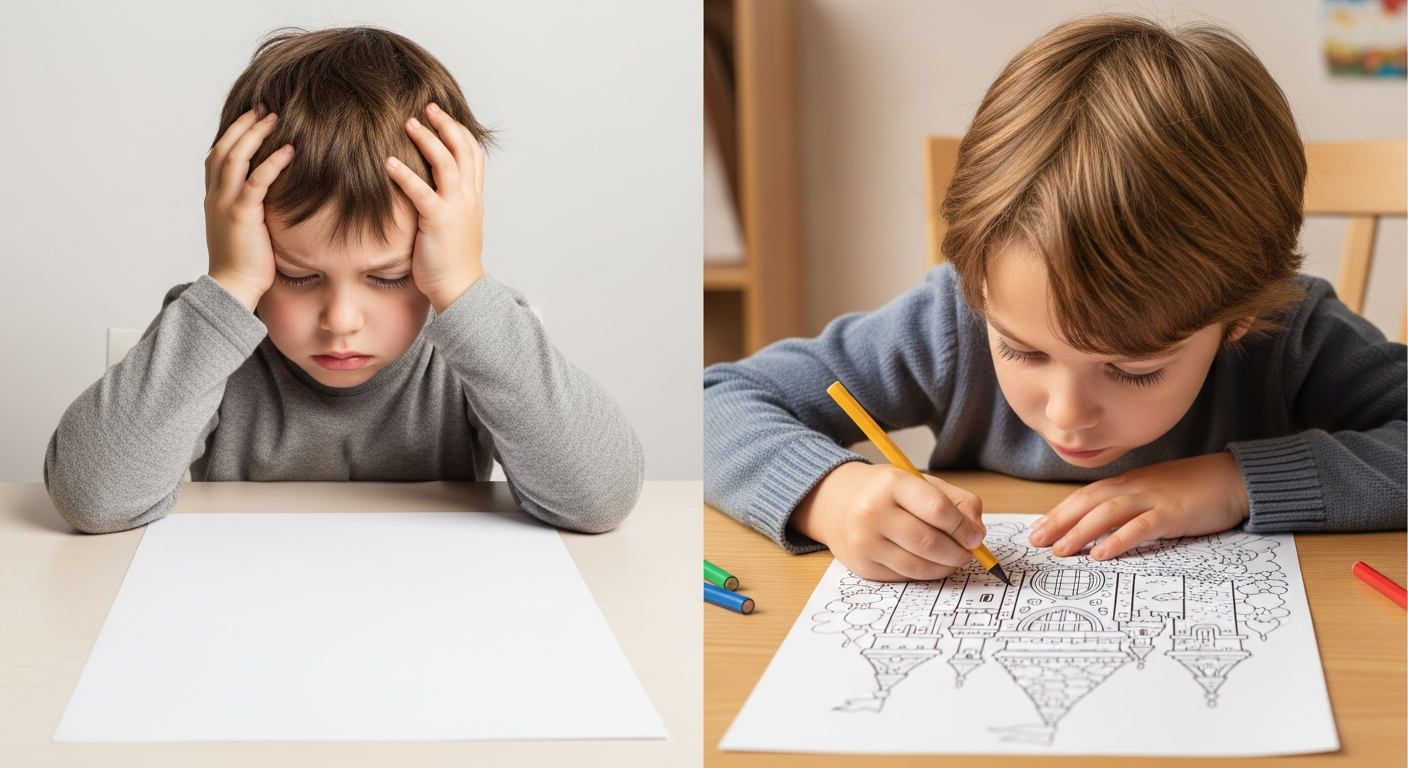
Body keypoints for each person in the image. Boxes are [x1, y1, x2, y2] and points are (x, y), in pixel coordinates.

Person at [703, 14, 1406, 582]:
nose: (1068, 415)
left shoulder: (1293, 337)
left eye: (1134, 369)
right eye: (1021, 350)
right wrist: (830, 495)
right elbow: (714, 403)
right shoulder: (949, 321)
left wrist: (1234, 483)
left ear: (1238, 318)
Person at [45, 26, 643, 534]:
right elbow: (93, 500)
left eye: (389, 277)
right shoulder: (215, 333)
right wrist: (230, 285)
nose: (341, 320)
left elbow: (599, 499)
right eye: (297, 275)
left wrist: (463, 286)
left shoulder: (478, 336)